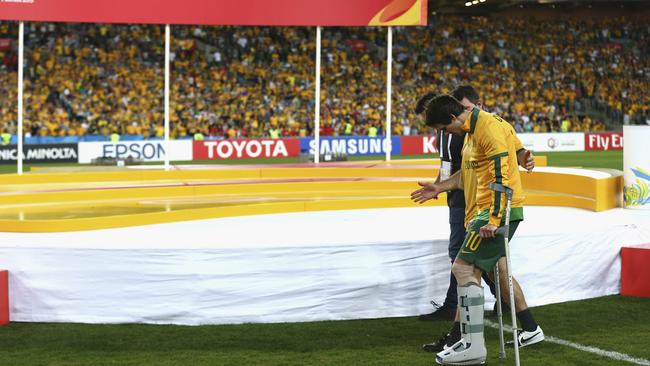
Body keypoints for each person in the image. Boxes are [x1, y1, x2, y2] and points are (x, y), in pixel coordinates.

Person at [412, 94, 544, 365]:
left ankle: (471, 345)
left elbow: (501, 175)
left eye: (443, 128)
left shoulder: (488, 128)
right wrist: (440, 186)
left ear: (452, 118)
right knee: (489, 272)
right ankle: (505, 334)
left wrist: (494, 220)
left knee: (463, 269)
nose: (444, 134)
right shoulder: (471, 132)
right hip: (482, 212)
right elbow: (468, 173)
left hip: (494, 213)